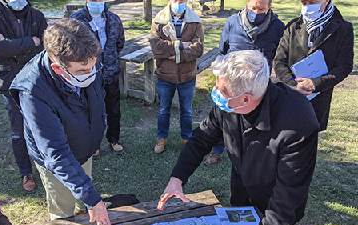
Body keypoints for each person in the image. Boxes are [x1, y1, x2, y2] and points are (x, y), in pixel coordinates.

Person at [158, 50, 319, 225]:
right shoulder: (227, 104)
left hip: (276, 202)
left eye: (221, 90)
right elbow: (201, 138)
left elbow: (291, 186)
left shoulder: (299, 122)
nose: (215, 91)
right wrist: (177, 178)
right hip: (243, 189)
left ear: (245, 99)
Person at [9, 19, 112, 225]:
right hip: (56, 161)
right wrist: (95, 200)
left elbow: (97, 98)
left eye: (94, 66)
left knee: (83, 188)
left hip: (83, 146)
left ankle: (84, 207)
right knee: (64, 213)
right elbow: (56, 154)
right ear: (58, 68)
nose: (91, 74)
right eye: (83, 71)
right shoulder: (33, 91)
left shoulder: (85, 62)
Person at [0, 0, 47, 192]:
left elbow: (46, 44)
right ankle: (26, 172)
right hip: (9, 80)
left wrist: (11, 44)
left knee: (42, 125)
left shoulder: (36, 15)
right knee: (19, 130)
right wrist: (30, 41)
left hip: (35, 78)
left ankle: (46, 165)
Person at [205, 0, 285, 166]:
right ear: (247, 4)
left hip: (258, 89)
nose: (256, 12)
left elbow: (281, 58)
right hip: (232, 87)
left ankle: (250, 154)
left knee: (254, 124)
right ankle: (217, 150)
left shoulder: (278, 27)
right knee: (224, 118)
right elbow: (222, 52)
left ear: (269, 6)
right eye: (253, 8)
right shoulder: (232, 23)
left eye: (261, 9)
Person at [273, 0, 353, 131]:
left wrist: (316, 83)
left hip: (319, 99)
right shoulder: (293, 26)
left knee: (310, 142)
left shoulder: (344, 29)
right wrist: (293, 85)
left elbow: (344, 66)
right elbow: (279, 61)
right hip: (290, 97)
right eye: (304, 2)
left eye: (312, 2)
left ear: (326, 1)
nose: (307, 7)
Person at [71, 0, 125, 157]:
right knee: (91, 110)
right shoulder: (76, 20)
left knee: (114, 109)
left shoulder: (114, 19)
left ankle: (114, 139)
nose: (98, 2)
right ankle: (94, 144)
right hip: (88, 74)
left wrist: (110, 59)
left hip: (111, 72)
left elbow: (120, 44)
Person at [150, 0, 204, 153]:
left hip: (187, 76)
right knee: (163, 110)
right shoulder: (159, 20)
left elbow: (198, 48)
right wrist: (180, 46)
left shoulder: (195, 20)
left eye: (181, 1)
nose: (178, 3)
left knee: (186, 111)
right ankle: (162, 138)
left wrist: (173, 55)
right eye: (175, 0)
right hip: (165, 76)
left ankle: (186, 138)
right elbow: (156, 47)